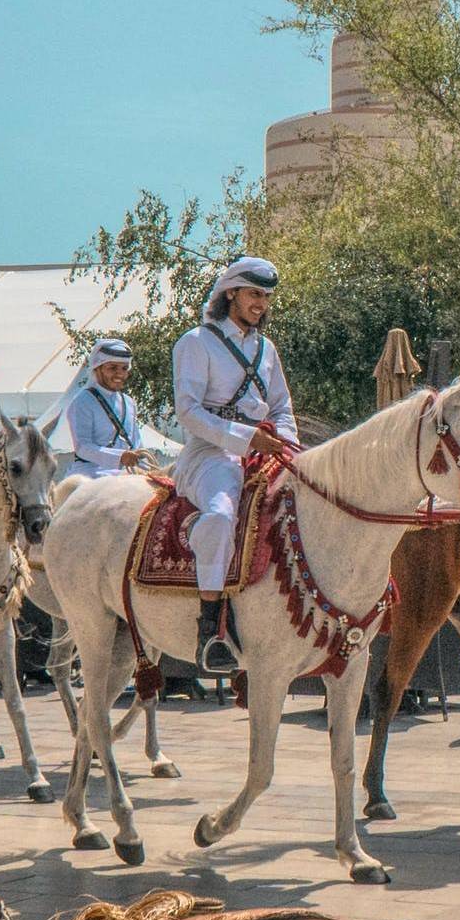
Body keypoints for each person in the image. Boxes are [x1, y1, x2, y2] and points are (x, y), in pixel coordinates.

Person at [171, 257, 295, 676]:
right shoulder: (195, 343)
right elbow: (188, 412)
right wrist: (245, 439)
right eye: (254, 294)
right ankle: (211, 628)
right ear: (231, 295)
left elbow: (281, 406)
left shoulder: (267, 348)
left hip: (267, 452)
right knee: (223, 516)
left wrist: (290, 449)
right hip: (211, 455)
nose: (261, 303)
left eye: (266, 296)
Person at [44, 335, 180, 483]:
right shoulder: (82, 401)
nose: (120, 373)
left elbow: (137, 445)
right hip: (91, 475)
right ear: (98, 368)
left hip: (127, 474)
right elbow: (83, 447)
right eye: (112, 368)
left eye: (124, 368)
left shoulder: (128, 402)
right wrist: (120, 457)